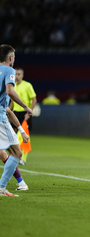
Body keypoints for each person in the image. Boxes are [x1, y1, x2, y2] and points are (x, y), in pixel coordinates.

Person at [0, 44, 32, 197]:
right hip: (0, 117)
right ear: (11, 57)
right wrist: (25, 106)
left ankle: (19, 183)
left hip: (4, 112)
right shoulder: (9, 70)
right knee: (16, 152)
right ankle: (1, 188)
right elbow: (9, 91)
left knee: (4, 153)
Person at [10, 67, 37, 165]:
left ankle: (22, 158)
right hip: (15, 113)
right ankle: (15, 155)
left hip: (24, 113)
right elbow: (12, 101)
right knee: (13, 134)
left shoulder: (27, 85)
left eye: (19, 74)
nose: (17, 76)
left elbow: (34, 100)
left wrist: (29, 113)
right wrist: (10, 110)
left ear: (22, 75)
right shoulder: (12, 86)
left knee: (23, 136)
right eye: (15, 74)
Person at [0, 108, 29, 191]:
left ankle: (21, 183)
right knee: (4, 154)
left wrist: (22, 131)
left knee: (13, 154)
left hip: (3, 128)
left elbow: (9, 111)